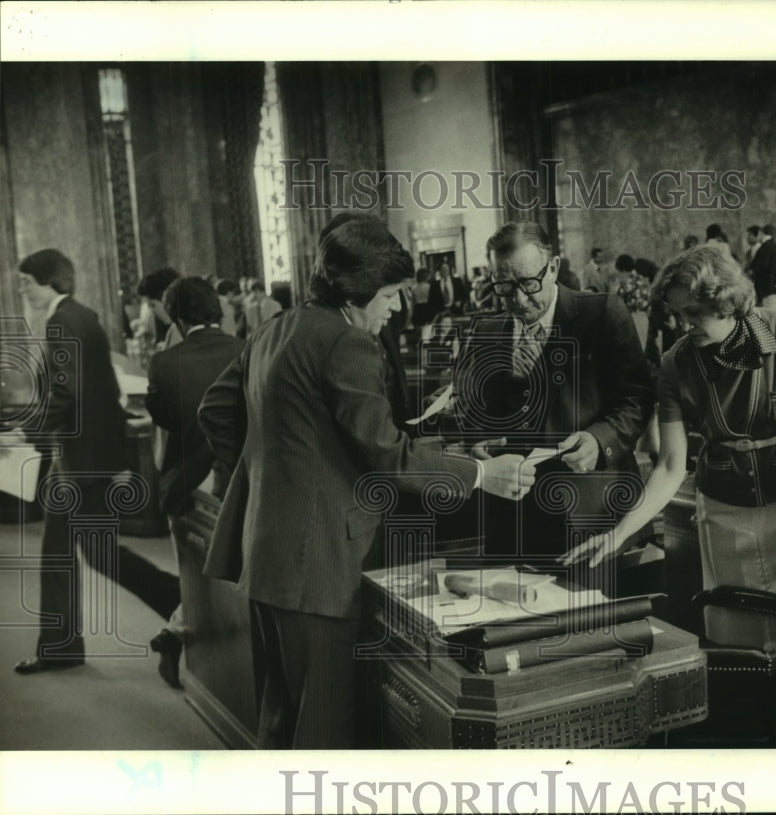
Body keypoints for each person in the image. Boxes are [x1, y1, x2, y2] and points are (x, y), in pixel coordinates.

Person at [197, 213, 532, 749]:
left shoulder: (274, 328)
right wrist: (479, 474)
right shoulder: (346, 343)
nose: (398, 307)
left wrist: (279, 469)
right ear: (358, 292)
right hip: (320, 565)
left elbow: (216, 410)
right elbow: (387, 458)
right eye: (393, 294)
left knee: (282, 719)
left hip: (267, 555)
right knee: (326, 731)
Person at [560, 246, 776, 738]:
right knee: (737, 643)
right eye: (677, 314)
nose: (683, 323)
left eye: (692, 312)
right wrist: (622, 529)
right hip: (726, 514)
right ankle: (773, 739)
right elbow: (670, 465)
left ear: (726, 302)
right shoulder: (675, 363)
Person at [12, 249, 181, 675]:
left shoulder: (62, 321)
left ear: (49, 281)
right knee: (61, 553)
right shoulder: (81, 317)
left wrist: (22, 431)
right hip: (82, 458)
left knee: (98, 554)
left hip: (81, 461)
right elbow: (102, 389)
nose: (21, 289)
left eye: (26, 281)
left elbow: (67, 396)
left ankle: (180, 601)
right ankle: (60, 646)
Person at [449, 221, 655, 568]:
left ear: (554, 267)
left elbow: (637, 398)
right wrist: (477, 441)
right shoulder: (485, 332)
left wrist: (598, 440)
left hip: (591, 514)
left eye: (529, 283)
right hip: (512, 520)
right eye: (504, 286)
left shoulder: (601, 313)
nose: (518, 299)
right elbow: (469, 409)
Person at [144, 277, 245, 688]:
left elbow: (165, 419)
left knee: (193, 573)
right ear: (218, 310)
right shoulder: (246, 350)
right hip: (235, 480)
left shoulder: (165, 362)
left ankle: (178, 635)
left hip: (188, 484)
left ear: (178, 318)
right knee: (233, 580)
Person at [751, 225, 776, 309]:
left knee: (768, 316)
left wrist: (751, 273)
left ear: (762, 233)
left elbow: (762, 267)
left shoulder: (764, 248)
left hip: (767, 289)